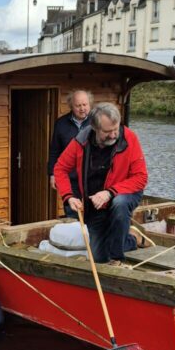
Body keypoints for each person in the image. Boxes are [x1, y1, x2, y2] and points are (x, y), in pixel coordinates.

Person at [53, 102, 147, 265]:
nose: (113, 135)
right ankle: (131, 239)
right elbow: (60, 168)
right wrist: (68, 197)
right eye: (107, 132)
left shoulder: (129, 138)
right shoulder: (80, 141)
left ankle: (117, 259)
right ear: (95, 128)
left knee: (119, 204)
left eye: (115, 130)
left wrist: (109, 192)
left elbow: (141, 177)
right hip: (94, 204)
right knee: (98, 257)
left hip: (124, 193)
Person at [47, 90, 92, 217]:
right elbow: (54, 151)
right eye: (78, 106)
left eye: (85, 105)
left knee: (94, 212)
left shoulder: (97, 122)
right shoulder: (61, 123)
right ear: (71, 106)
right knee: (72, 212)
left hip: (92, 176)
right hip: (70, 176)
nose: (82, 108)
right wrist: (52, 174)